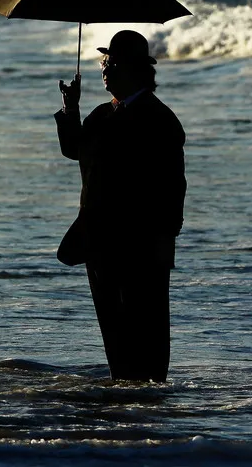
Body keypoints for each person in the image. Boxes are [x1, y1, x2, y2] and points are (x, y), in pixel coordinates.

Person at [54, 30, 186, 382]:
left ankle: (151, 402)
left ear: (133, 69)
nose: (104, 69)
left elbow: (173, 187)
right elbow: (75, 149)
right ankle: (123, 399)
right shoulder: (102, 114)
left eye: (110, 63)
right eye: (103, 61)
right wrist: (72, 108)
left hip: (140, 243)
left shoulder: (159, 119)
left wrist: (163, 240)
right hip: (99, 238)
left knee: (147, 331)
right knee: (113, 328)